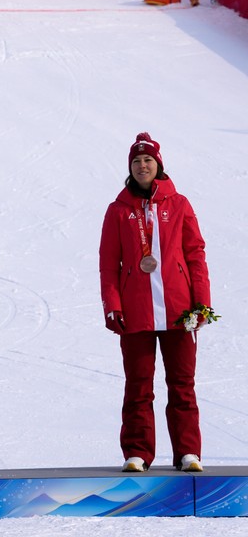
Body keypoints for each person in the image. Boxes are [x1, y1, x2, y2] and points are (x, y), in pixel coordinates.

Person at [99, 133, 211, 473]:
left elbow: (195, 254)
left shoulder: (179, 204)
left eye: (148, 160)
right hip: (135, 312)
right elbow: (108, 263)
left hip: (179, 312)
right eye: (136, 161)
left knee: (182, 386)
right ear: (130, 169)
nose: (142, 165)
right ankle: (137, 453)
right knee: (138, 386)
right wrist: (112, 304)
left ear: (158, 165)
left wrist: (202, 302)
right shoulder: (118, 211)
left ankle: (188, 453)